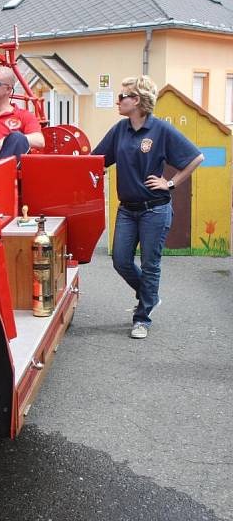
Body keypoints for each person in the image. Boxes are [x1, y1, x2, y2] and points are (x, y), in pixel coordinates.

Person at [93, 75, 203, 339]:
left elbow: (196, 157)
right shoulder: (119, 130)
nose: (118, 101)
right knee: (121, 260)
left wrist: (171, 183)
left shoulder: (160, 130)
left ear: (138, 101)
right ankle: (150, 296)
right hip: (127, 210)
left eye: (123, 96)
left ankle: (142, 317)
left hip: (155, 209)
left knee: (151, 264)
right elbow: (96, 160)